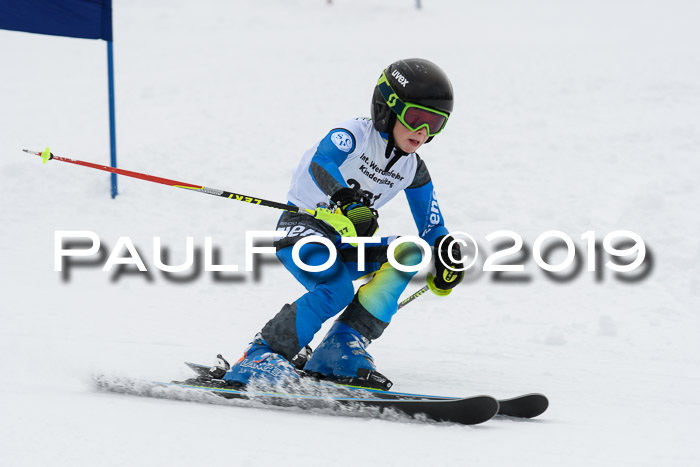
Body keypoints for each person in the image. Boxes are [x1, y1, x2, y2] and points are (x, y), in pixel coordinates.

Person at [220, 58, 464, 389]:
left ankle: (340, 350)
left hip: (346, 243)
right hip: (302, 228)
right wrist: (345, 199)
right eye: (415, 118)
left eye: (435, 123)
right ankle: (260, 356)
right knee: (335, 291)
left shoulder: (413, 169)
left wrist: (447, 254)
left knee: (408, 251)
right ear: (387, 108)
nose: (423, 132)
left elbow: (432, 228)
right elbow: (322, 161)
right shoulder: (353, 135)